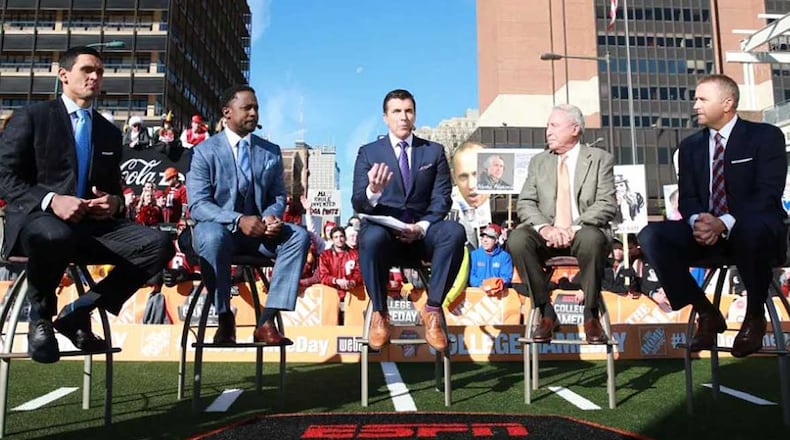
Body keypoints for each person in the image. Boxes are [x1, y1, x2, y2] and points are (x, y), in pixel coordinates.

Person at [0, 46, 173, 363]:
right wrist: (52, 200)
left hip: (92, 228)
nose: (95, 77)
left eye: (100, 72)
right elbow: (5, 176)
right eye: (87, 70)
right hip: (38, 223)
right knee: (55, 235)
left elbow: (112, 190)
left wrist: (114, 203)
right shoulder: (32, 117)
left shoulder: (108, 131)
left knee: (159, 243)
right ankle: (40, 318)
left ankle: (80, 311)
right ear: (64, 75)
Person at [638, 74, 787, 357]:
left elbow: (767, 194)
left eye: (702, 99)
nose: (695, 105)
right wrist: (698, 222)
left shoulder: (765, 136)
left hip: (757, 232)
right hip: (706, 233)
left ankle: (755, 315)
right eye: (695, 99)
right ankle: (706, 311)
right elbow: (689, 198)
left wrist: (724, 222)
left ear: (728, 103)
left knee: (749, 228)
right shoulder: (690, 147)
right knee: (651, 235)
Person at [187, 84, 310, 345]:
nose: (254, 113)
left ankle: (266, 320)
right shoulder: (203, 152)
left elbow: (278, 195)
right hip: (219, 232)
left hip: (260, 235)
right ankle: (224, 317)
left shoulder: (270, 152)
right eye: (247, 108)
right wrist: (238, 220)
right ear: (227, 112)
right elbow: (197, 205)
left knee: (298, 236)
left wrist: (271, 217)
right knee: (211, 235)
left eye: (256, 108)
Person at [351, 89, 466, 351]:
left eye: (408, 111)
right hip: (385, 236)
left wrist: (422, 227)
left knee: (454, 231)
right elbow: (357, 202)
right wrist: (373, 191)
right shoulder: (368, 153)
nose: (403, 117)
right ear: (385, 117)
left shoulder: (433, 152)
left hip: (422, 235)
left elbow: (441, 199)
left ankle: (433, 310)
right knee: (369, 235)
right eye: (397, 112)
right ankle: (380, 313)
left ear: (414, 115)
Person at [506, 104, 616, 344]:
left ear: (575, 129)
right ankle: (546, 311)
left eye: (554, 125)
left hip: (582, 232)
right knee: (517, 240)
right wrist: (545, 228)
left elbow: (607, 203)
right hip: (546, 234)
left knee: (591, 238)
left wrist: (573, 228)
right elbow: (525, 203)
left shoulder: (599, 159)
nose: (548, 131)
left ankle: (590, 314)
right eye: (548, 125)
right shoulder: (539, 162)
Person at [450, 141, 492, 248]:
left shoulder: (505, 200)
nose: (471, 185)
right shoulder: (450, 205)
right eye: (463, 176)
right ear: (454, 177)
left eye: (477, 174)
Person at [318, 226, 362, 301]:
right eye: (336, 237)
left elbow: (359, 273)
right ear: (332, 239)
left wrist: (352, 282)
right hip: (331, 295)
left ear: (345, 237)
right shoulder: (325, 255)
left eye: (341, 236)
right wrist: (336, 281)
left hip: (351, 295)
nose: (339, 239)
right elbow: (323, 276)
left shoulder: (355, 254)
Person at [468, 224, 513, 296]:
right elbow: (471, 277)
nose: (485, 240)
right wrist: (483, 284)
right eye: (483, 237)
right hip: (478, 294)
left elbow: (506, 277)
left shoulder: (504, 256)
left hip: (498, 295)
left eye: (489, 237)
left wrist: (493, 285)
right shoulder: (474, 255)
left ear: (496, 240)